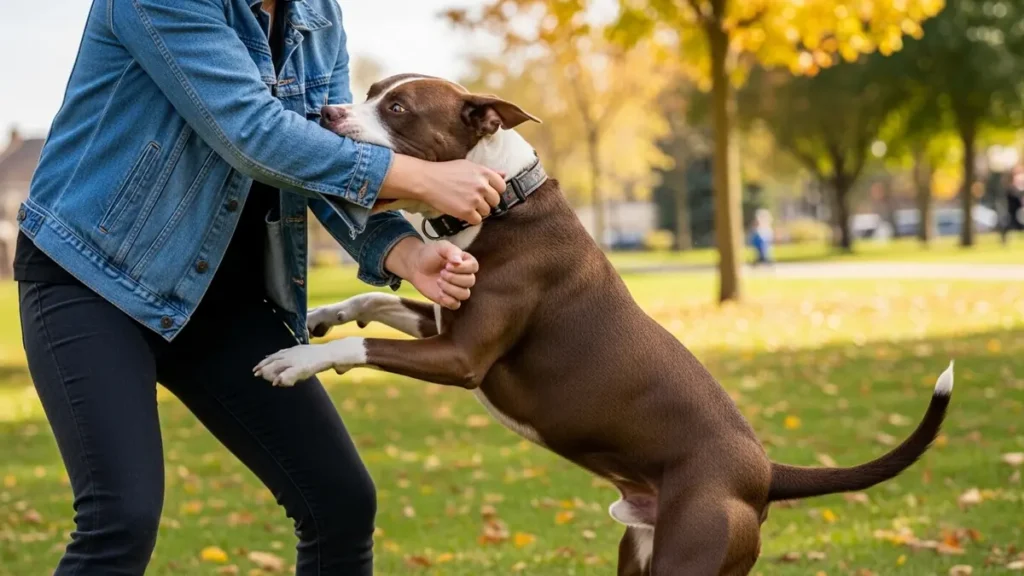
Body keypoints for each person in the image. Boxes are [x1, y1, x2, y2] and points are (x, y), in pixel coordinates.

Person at [14, 1, 505, 575]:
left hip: (221, 298)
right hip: (93, 277)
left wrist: (405, 251)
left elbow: (325, 156)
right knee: (119, 520)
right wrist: (423, 178)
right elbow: (250, 130)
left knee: (340, 504)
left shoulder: (317, 14)